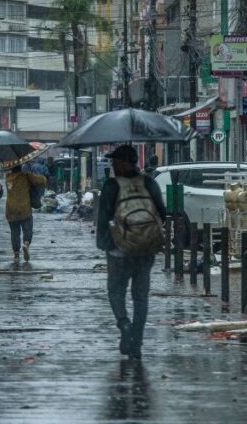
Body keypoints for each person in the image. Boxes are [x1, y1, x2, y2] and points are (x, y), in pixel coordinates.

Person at [96, 145, 167, 360]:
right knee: (140, 296)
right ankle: (137, 339)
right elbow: (162, 213)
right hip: (146, 250)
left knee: (116, 291)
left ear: (123, 162)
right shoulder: (149, 183)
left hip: (119, 250)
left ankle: (124, 325)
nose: (113, 165)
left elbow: (103, 218)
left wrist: (106, 245)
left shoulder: (111, 185)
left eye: (115, 161)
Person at [5, 163, 47, 264]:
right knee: (28, 229)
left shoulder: (8, 178)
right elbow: (43, 180)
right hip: (24, 208)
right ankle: (26, 244)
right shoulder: (26, 176)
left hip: (11, 210)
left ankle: (16, 254)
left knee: (14, 233)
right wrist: (30, 174)